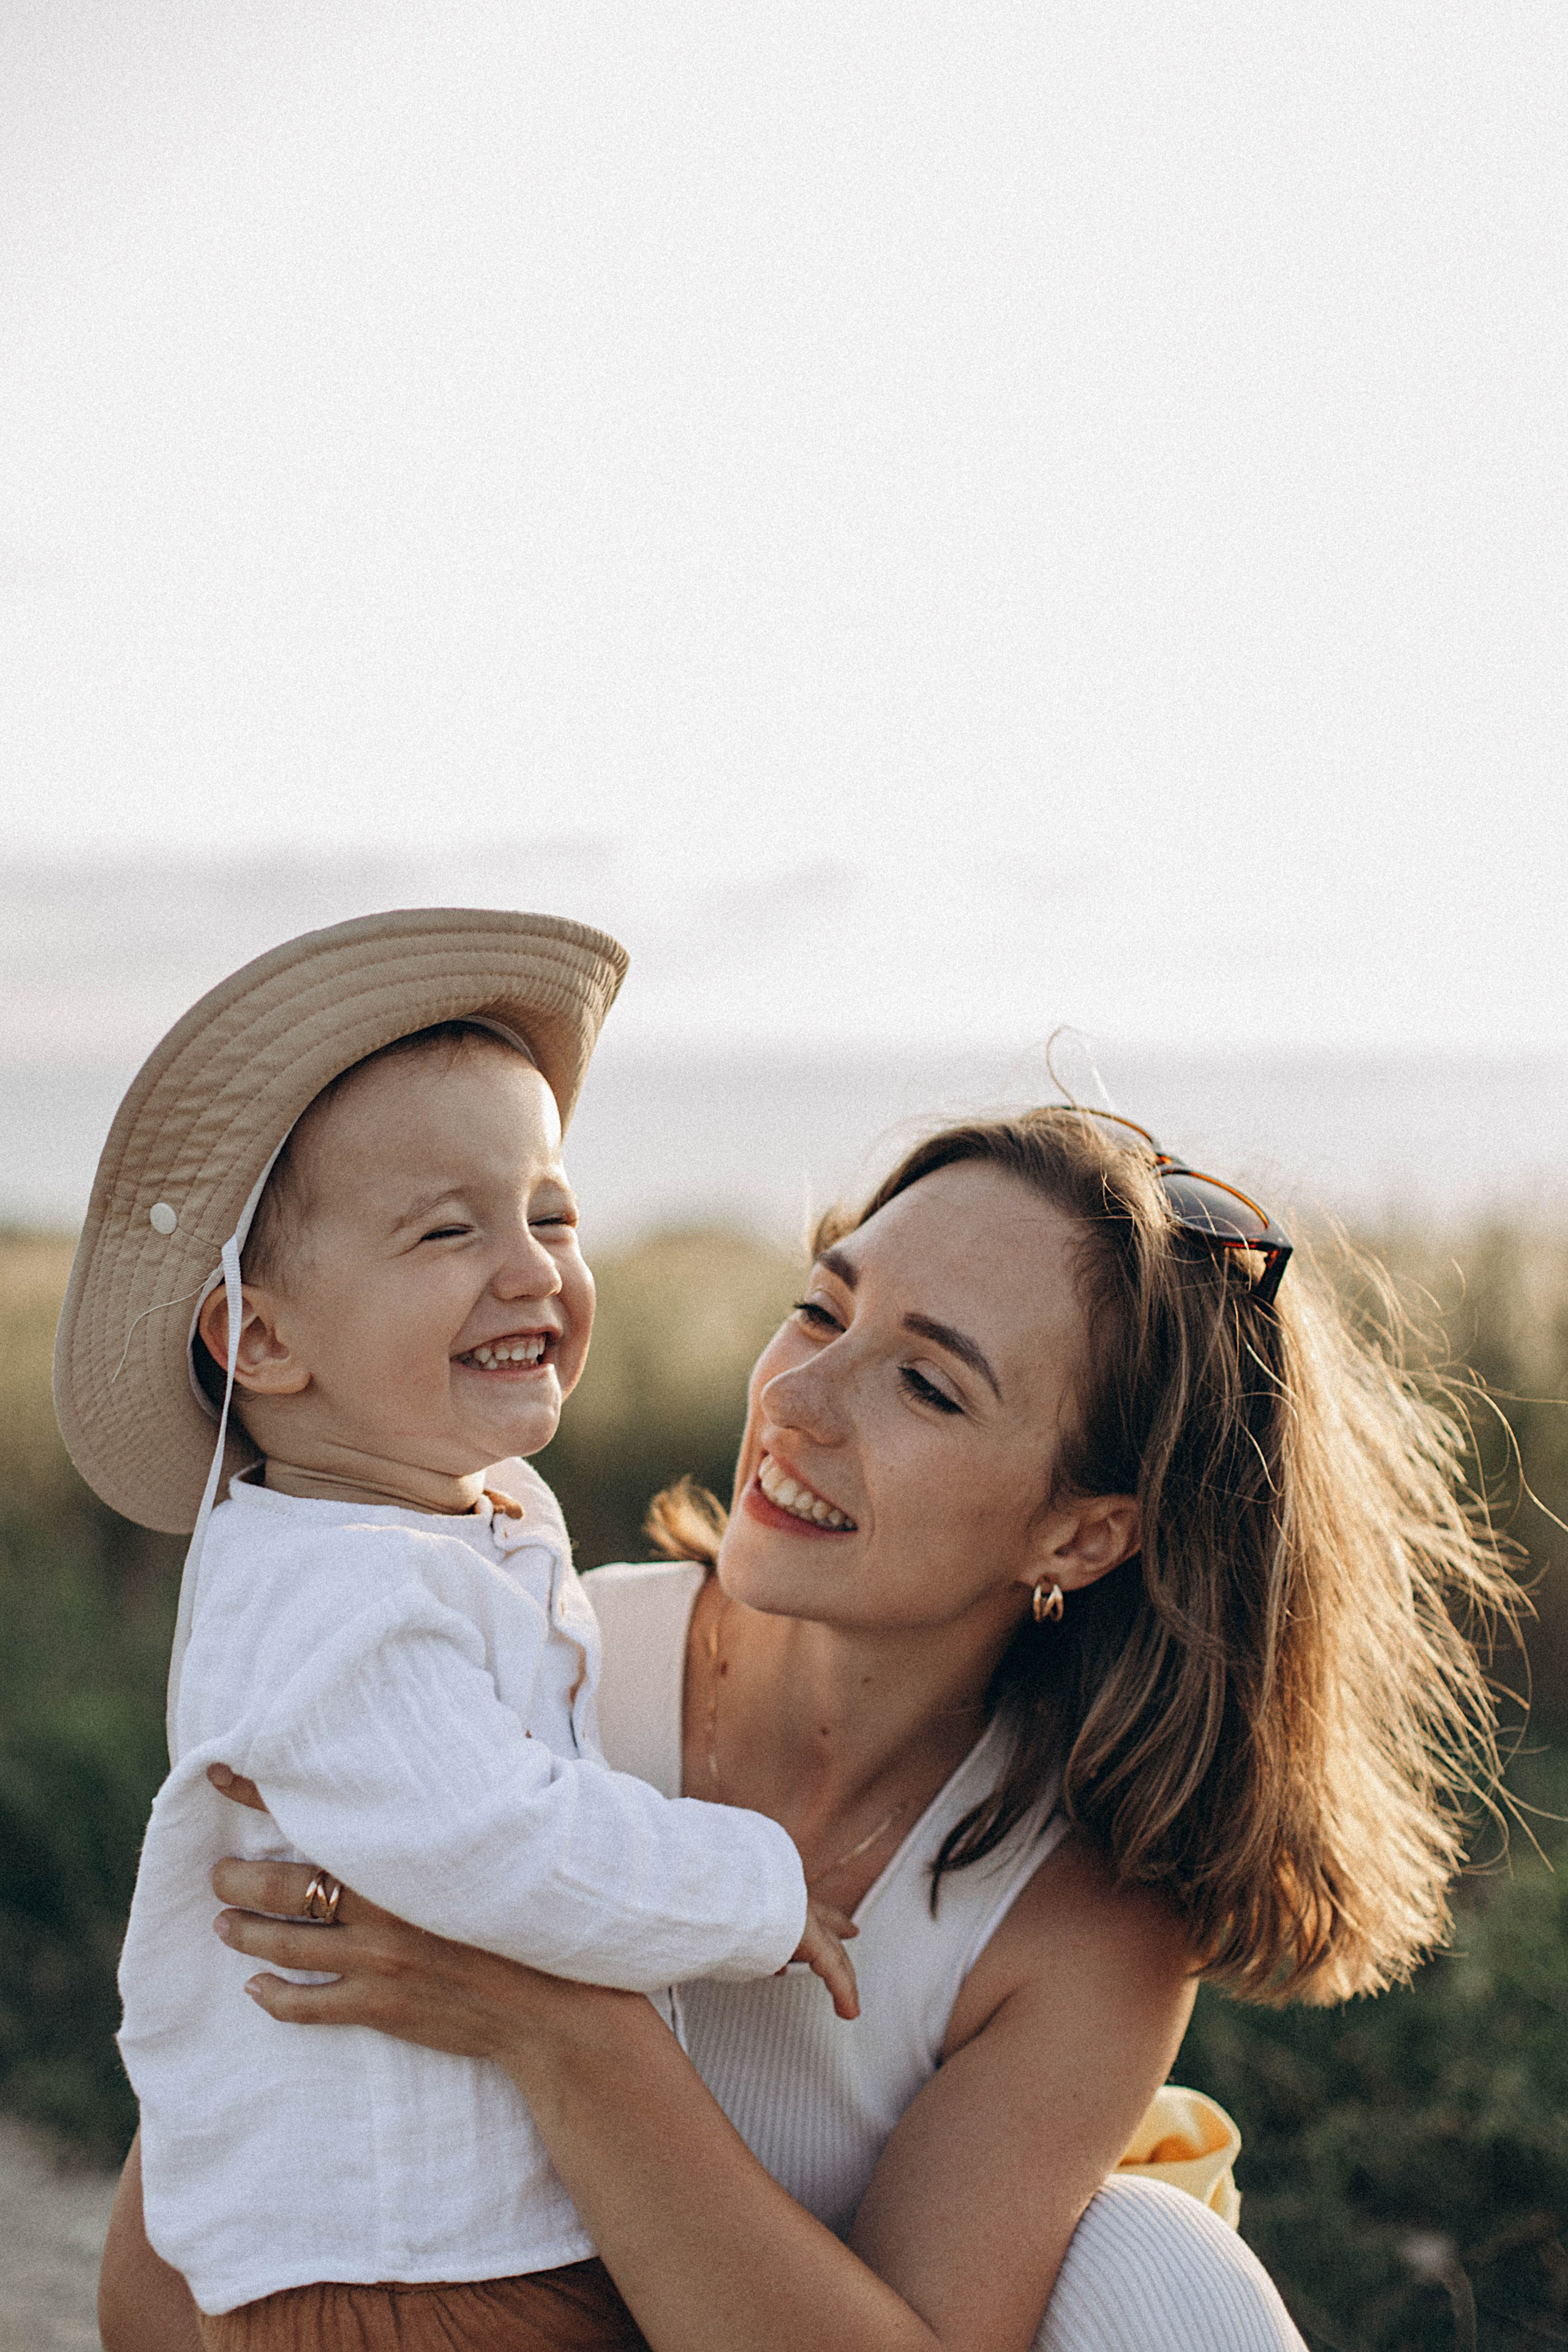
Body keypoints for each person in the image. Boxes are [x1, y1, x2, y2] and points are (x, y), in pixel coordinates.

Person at [100, 1100, 1515, 2351]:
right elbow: (186, 2244)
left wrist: (562, 2028)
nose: (799, 1400)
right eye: (822, 1311)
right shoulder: (504, 1684)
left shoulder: (1081, 1919)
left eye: (926, 1383)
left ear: (1081, 1535)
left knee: (1155, 2273)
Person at [58, 908, 853, 2349]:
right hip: (405, 2279)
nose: (531, 1265)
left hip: (477, 2242)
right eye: (447, 1229)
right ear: (263, 1342)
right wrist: (763, 1892)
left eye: (550, 1212)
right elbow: (505, 1848)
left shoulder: (442, 1532)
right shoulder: (331, 1593)